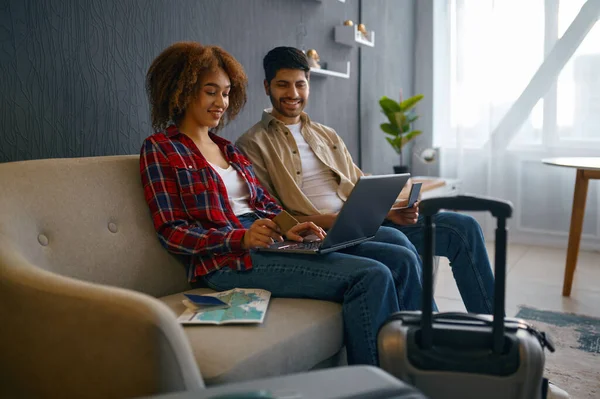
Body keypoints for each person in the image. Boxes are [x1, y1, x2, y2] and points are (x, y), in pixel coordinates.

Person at [139, 41, 427, 366]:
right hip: (228, 261)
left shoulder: (228, 149)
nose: (221, 102)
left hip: (272, 243)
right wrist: (242, 238)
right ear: (182, 90)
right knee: (371, 275)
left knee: (399, 259)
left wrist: (295, 227)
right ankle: (377, 383)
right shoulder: (161, 149)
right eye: (211, 92)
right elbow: (172, 231)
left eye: (226, 92)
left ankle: (419, 358)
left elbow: (266, 205)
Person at [236, 46, 496, 315]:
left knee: (463, 227)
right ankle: (435, 335)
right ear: (267, 86)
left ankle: (494, 329)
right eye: (282, 85)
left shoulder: (327, 135)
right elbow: (272, 214)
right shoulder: (252, 144)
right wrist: (332, 220)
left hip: (364, 221)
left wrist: (393, 211)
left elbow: (359, 182)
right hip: (326, 232)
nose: (293, 94)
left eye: (299, 85)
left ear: (308, 84)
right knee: (398, 246)